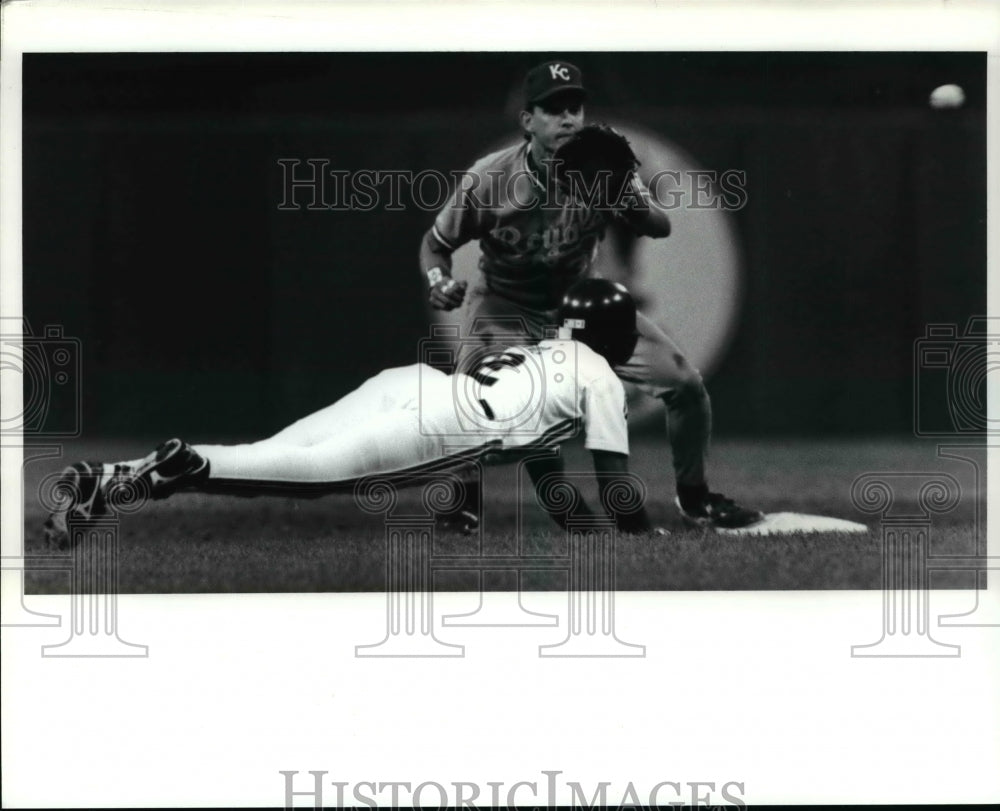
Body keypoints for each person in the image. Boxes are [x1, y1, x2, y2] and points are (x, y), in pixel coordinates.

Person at [43, 279, 655, 549]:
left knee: (270, 454)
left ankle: (107, 479)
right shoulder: (601, 378)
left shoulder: (544, 352)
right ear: (617, 333)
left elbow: (544, 469)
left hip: (411, 383)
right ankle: (186, 466)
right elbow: (616, 486)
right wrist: (637, 535)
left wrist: (575, 523)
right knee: (305, 475)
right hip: (447, 423)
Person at [421, 58, 762, 529]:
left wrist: (624, 199)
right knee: (471, 402)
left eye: (575, 108)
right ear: (527, 121)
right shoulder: (490, 178)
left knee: (683, 383)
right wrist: (439, 281)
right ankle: (463, 498)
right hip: (506, 306)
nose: (567, 118)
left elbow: (659, 226)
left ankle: (695, 498)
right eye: (552, 108)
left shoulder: (601, 164)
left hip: (579, 306)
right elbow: (435, 245)